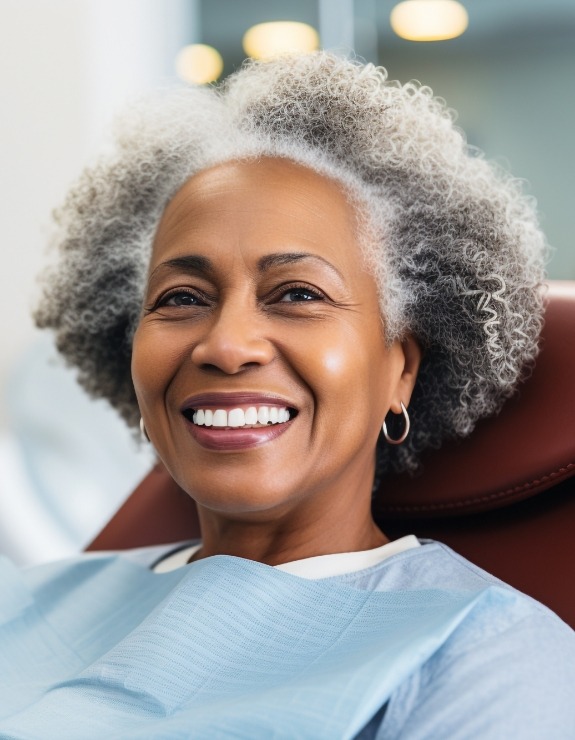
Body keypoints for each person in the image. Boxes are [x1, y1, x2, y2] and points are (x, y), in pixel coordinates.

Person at [1, 52, 573, 738]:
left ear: (399, 370)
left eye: (297, 294)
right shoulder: (27, 601)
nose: (225, 344)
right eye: (181, 298)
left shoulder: (483, 655)